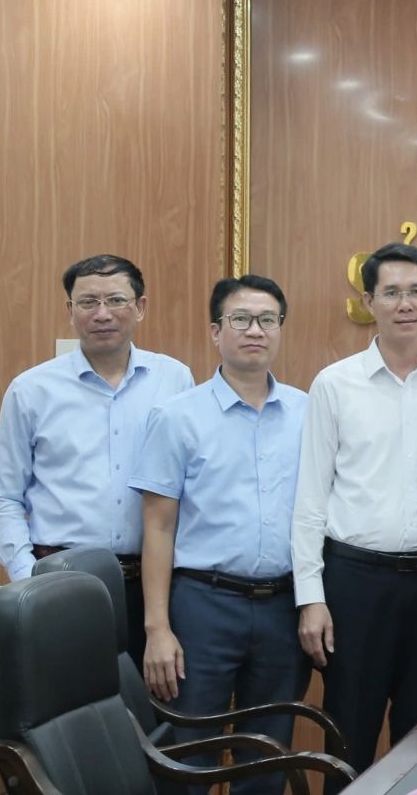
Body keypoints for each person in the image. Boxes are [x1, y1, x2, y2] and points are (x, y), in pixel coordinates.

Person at [293, 243, 417, 787]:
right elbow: (310, 498)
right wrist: (311, 597)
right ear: (369, 302)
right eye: (391, 293)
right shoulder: (335, 383)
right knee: (349, 731)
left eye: (416, 291)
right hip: (355, 582)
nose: (405, 304)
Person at [132, 275, 307, 795]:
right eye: (241, 319)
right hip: (203, 607)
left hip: (283, 606)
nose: (255, 330)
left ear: (280, 329)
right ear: (215, 331)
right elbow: (157, 525)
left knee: (268, 756)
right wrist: (157, 628)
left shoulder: (307, 412)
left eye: (267, 320)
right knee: (188, 755)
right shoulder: (176, 417)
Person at [0, 254, 193, 670]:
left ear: (140, 307)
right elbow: (4, 496)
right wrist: (28, 576)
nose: (102, 314)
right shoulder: (31, 390)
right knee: (65, 702)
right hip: (60, 581)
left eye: (116, 300)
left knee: (152, 704)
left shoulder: (174, 380)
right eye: (88, 302)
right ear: (70, 309)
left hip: (153, 587)